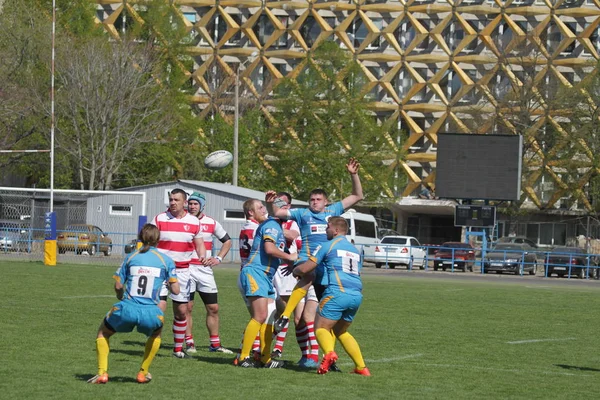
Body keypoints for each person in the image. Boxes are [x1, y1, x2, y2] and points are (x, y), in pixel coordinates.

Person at [268, 157, 363, 334]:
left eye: (318, 199)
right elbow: (278, 211)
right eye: (312, 199)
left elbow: (357, 196)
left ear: (325, 201)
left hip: (327, 266)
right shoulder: (302, 213)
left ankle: (323, 356)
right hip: (307, 259)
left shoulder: (333, 211)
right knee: (308, 274)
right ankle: (285, 315)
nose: (314, 202)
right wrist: (273, 201)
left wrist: (354, 175)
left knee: (321, 317)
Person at [87, 224, 180, 384]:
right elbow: (176, 290)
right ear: (158, 240)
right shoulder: (166, 261)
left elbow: (118, 285)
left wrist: (120, 296)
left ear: (140, 238)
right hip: (151, 311)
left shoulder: (131, 257)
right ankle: (143, 373)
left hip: (127, 308)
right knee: (156, 334)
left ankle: (102, 373)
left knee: (103, 333)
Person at [292, 217, 370, 376]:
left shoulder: (327, 245)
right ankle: (362, 368)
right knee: (341, 331)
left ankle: (329, 353)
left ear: (335, 230)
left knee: (320, 328)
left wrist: (296, 271)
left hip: (337, 292)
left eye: (327, 227)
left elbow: (307, 267)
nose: (325, 230)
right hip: (356, 295)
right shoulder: (354, 250)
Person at [237, 198, 298, 368]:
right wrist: (290, 257)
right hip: (256, 272)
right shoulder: (271, 225)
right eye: (260, 207)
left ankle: (265, 358)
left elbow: (283, 250)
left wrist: (295, 261)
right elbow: (270, 249)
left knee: (270, 316)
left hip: (265, 276)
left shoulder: (275, 227)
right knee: (260, 316)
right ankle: (243, 357)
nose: (264, 209)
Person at [152, 188, 206, 358]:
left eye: (176, 200)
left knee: (182, 311)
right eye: (171, 199)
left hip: (182, 271)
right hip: (160, 271)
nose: (173, 202)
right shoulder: (159, 219)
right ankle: (154, 344)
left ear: (184, 202)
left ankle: (177, 349)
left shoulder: (194, 222)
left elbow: (199, 243)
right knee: (159, 309)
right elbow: (149, 241)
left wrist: (203, 256)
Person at [270, 192, 320, 368]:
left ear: (289, 206)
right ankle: (305, 355)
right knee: (287, 315)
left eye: (283, 203)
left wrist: (270, 227)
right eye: (277, 203)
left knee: (300, 316)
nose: (280, 205)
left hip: (299, 271)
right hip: (280, 271)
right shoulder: (273, 221)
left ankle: (315, 353)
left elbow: (291, 236)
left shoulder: (297, 221)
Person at [185, 192, 233, 354]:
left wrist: (218, 258)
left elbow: (227, 241)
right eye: (190, 203)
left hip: (205, 271)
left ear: (202, 206)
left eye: (195, 204)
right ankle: (189, 343)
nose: (192, 206)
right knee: (187, 307)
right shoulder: (182, 221)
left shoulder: (211, 223)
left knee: (213, 307)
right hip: (186, 270)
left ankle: (215, 344)